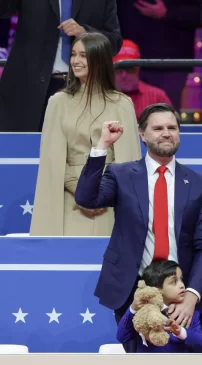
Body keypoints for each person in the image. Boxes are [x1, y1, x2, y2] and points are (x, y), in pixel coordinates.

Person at [75, 103, 202, 352]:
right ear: (142, 134)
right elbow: (87, 198)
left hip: (180, 294)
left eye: (172, 128)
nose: (166, 133)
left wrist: (192, 296)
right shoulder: (121, 174)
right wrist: (102, 146)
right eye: (158, 128)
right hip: (134, 292)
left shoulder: (198, 183)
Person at [30, 33, 141, 237]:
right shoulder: (58, 102)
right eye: (73, 54)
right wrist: (82, 194)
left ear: (99, 59)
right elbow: (52, 158)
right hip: (69, 198)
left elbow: (129, 162)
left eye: (83, 55)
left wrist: (101, 195)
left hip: (109, 199)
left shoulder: (122, 103)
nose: (75, 61)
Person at [0, 0, 121, 132]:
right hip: (27, 90)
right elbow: (3, 9)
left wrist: (85, 33)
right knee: (23, 145)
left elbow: (114, 42)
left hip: (82, 89)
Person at [115, 0, 202, 108]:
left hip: (170, 65)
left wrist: (167, 13)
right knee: (124, 115)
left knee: (164, 115)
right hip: (126, 62)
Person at [118, 260, 202, 353]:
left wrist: (181, 332)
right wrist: (132, 309)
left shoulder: (188, 312)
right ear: (156, 288)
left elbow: (201, 344)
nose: (182, 285)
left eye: (181, 279)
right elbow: (122, 337)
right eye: (174, 282)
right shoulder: (142, 311)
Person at [113, 39, 173, 119]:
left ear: (138, 68)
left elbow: (171, 124)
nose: (124, 75)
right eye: (118, 69)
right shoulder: (102, 96)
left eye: (129, 68)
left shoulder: (157, 97)